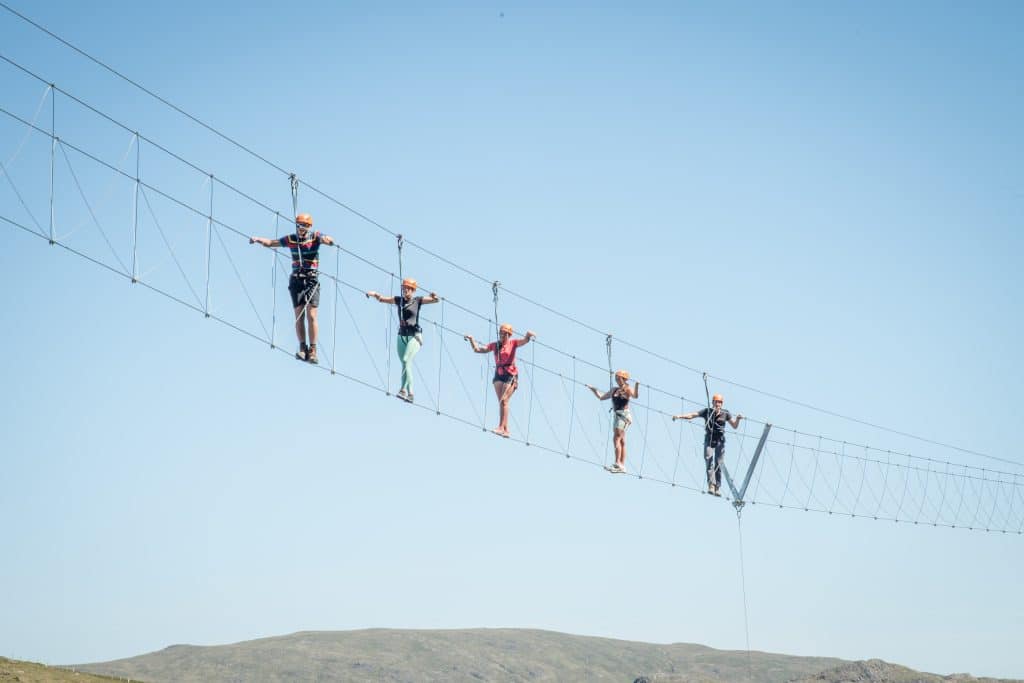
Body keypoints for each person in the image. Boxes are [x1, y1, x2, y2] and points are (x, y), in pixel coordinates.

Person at [250, 213, 335, 364]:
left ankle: (313, 350)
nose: (300, 228)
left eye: (303, 226)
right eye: (298, 225)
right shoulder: (292, 239)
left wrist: (328, 240)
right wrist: (258, 239)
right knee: (299, 315)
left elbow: (326, 239)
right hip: (296, 280)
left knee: (312, 315)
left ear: (309, 227)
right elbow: (271, 243)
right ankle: (303, 347)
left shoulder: (315, 236)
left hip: (311, 280)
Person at [365, 278, 440, 403]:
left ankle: (407, 391)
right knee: (405, 364)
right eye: (404, 288)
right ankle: (406, 392)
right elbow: (382, 299)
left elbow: (436, 300)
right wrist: (373, 293)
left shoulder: (418, 301)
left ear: (412, 290)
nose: (405, 290)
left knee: (406, 360)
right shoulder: (398, 300)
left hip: (415, 336)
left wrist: (434, 296)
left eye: (408, 288)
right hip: (401, 335)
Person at [464, 324, 535, 437]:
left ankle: (501, 427)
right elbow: (477, 350)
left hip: (510, 374)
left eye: (504, 333)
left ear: (509, 334)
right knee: (502, 402)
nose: (502, 335)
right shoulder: (495, 345)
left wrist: (528, 335)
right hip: (499, 374)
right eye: (501, 333)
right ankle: (506, 430)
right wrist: (472, 339)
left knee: (504, 400)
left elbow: (525, 341)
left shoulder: (513, 343)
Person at [673, 393, 743, 496]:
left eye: (719, 402)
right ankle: (711, 485)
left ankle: (717, 487)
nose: (718, 404)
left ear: (721, 403)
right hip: (709, 439)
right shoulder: (707, 412)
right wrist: (679, 416)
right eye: (716, 402)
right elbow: (693, 415)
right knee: (708, 459)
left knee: (719, 462)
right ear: (713, 402)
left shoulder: (725, 413)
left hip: (720, 440)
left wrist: (738, 419)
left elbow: (734, 426)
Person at [586, 369, 640, 474]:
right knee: (622, 441)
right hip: (617, 416)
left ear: (623, 378)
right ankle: (621, 465)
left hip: (623, 415)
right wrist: (593, 390)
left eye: (618, 377)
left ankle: (617, 463)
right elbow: (601, 397)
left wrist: (637, 386)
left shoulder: (628, 389)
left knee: (617, 438)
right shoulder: (614, 390)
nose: (616, 379)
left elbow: (635, 396)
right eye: (616, 377)